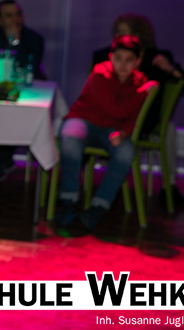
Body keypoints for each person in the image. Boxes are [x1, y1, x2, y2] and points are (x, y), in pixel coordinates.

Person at [91, 13, 184, 208]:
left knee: (168, 130)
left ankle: (169, 187)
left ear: (139, 35)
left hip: (143, 121)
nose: (118, 36)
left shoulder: (156, 58)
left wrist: (171, 70)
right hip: (112, 117)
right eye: (116, 32)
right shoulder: (104, 56)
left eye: (123, 32)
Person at [56, 35, 158, 230]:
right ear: (111, 57)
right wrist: (142, 94)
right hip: (83, 119)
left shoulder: (139, 81)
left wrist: (124, 133)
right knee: (70, 140)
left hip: (112, 129)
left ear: (138, 61)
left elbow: (133, 117)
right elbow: (116, 109)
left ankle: (100, 205)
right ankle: (69, 200)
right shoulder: (100, 73)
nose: (123, 65)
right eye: (118, 59)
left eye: (129, 60)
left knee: (126, 152)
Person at [0, 0, 46, 181]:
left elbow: (28, 67)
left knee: (11, 115)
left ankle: (0, 160)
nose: (15, 19)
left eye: (18, 14)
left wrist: (15, 43)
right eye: (9, 15)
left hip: (21, 94)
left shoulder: (34, 39)